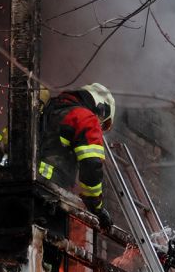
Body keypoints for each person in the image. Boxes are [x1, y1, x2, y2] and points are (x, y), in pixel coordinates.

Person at [37, 83, 117, 229]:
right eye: (103, 124)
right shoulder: (85, 118)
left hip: (12, 192)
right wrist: (96, 207)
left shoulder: (43, 110)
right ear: (101, 109)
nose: (100, 128)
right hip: (48, 197)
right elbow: (92, 165)